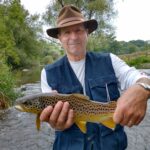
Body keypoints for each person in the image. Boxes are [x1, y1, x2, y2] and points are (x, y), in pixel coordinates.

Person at [40, 5, 150, 150]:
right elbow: (49, 121)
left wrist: (143, 88)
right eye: (67, 32)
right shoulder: (47, 73)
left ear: (87, 33)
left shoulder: (110, 60)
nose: (73, 37)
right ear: (60, 38)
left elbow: (138, 77)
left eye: (78, 30)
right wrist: (55, 124)